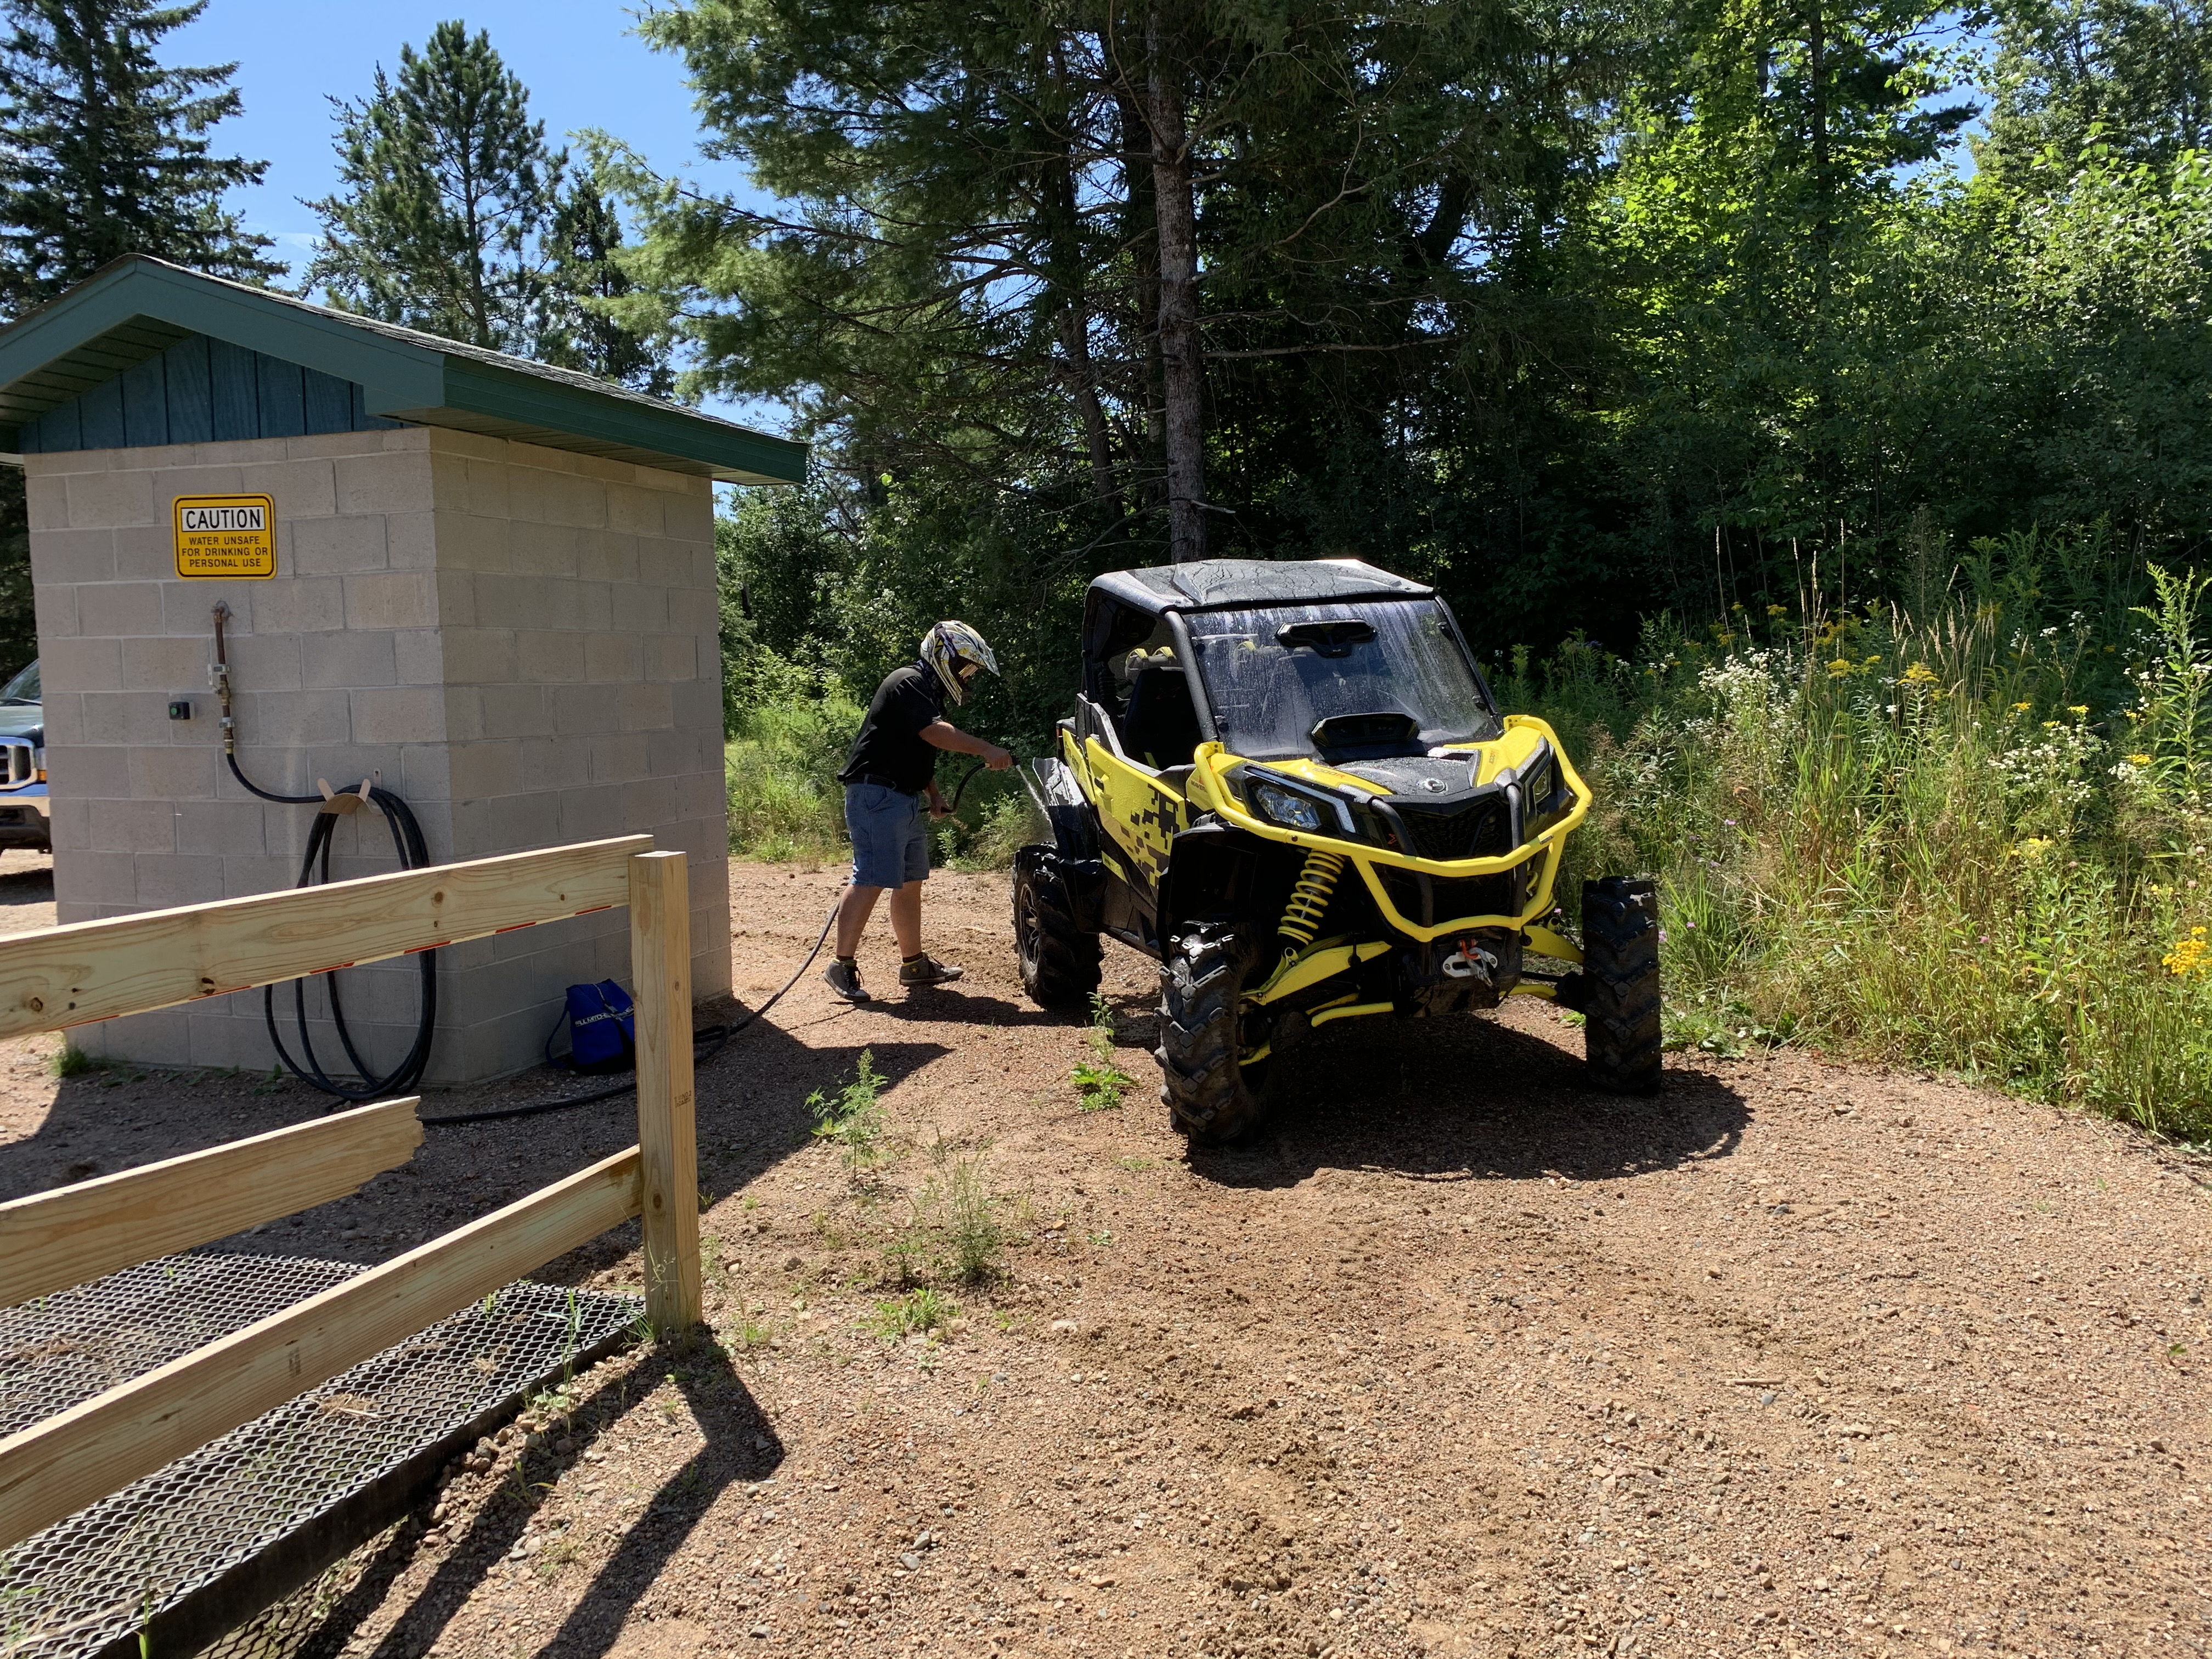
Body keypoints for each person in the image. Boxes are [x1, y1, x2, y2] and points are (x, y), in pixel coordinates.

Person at [823, 620, 1013, 1002]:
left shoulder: (926, 693)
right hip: (876, 794)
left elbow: (919, 750)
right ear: (943, 655)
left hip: (901, 796)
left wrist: (934, 794)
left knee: (910, 883)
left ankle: (913, 965)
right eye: (964, 667)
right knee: (871, 878)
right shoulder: (907, 681)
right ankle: (840, 966)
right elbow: (936, 735)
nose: (965, 676)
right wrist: (987, 749)